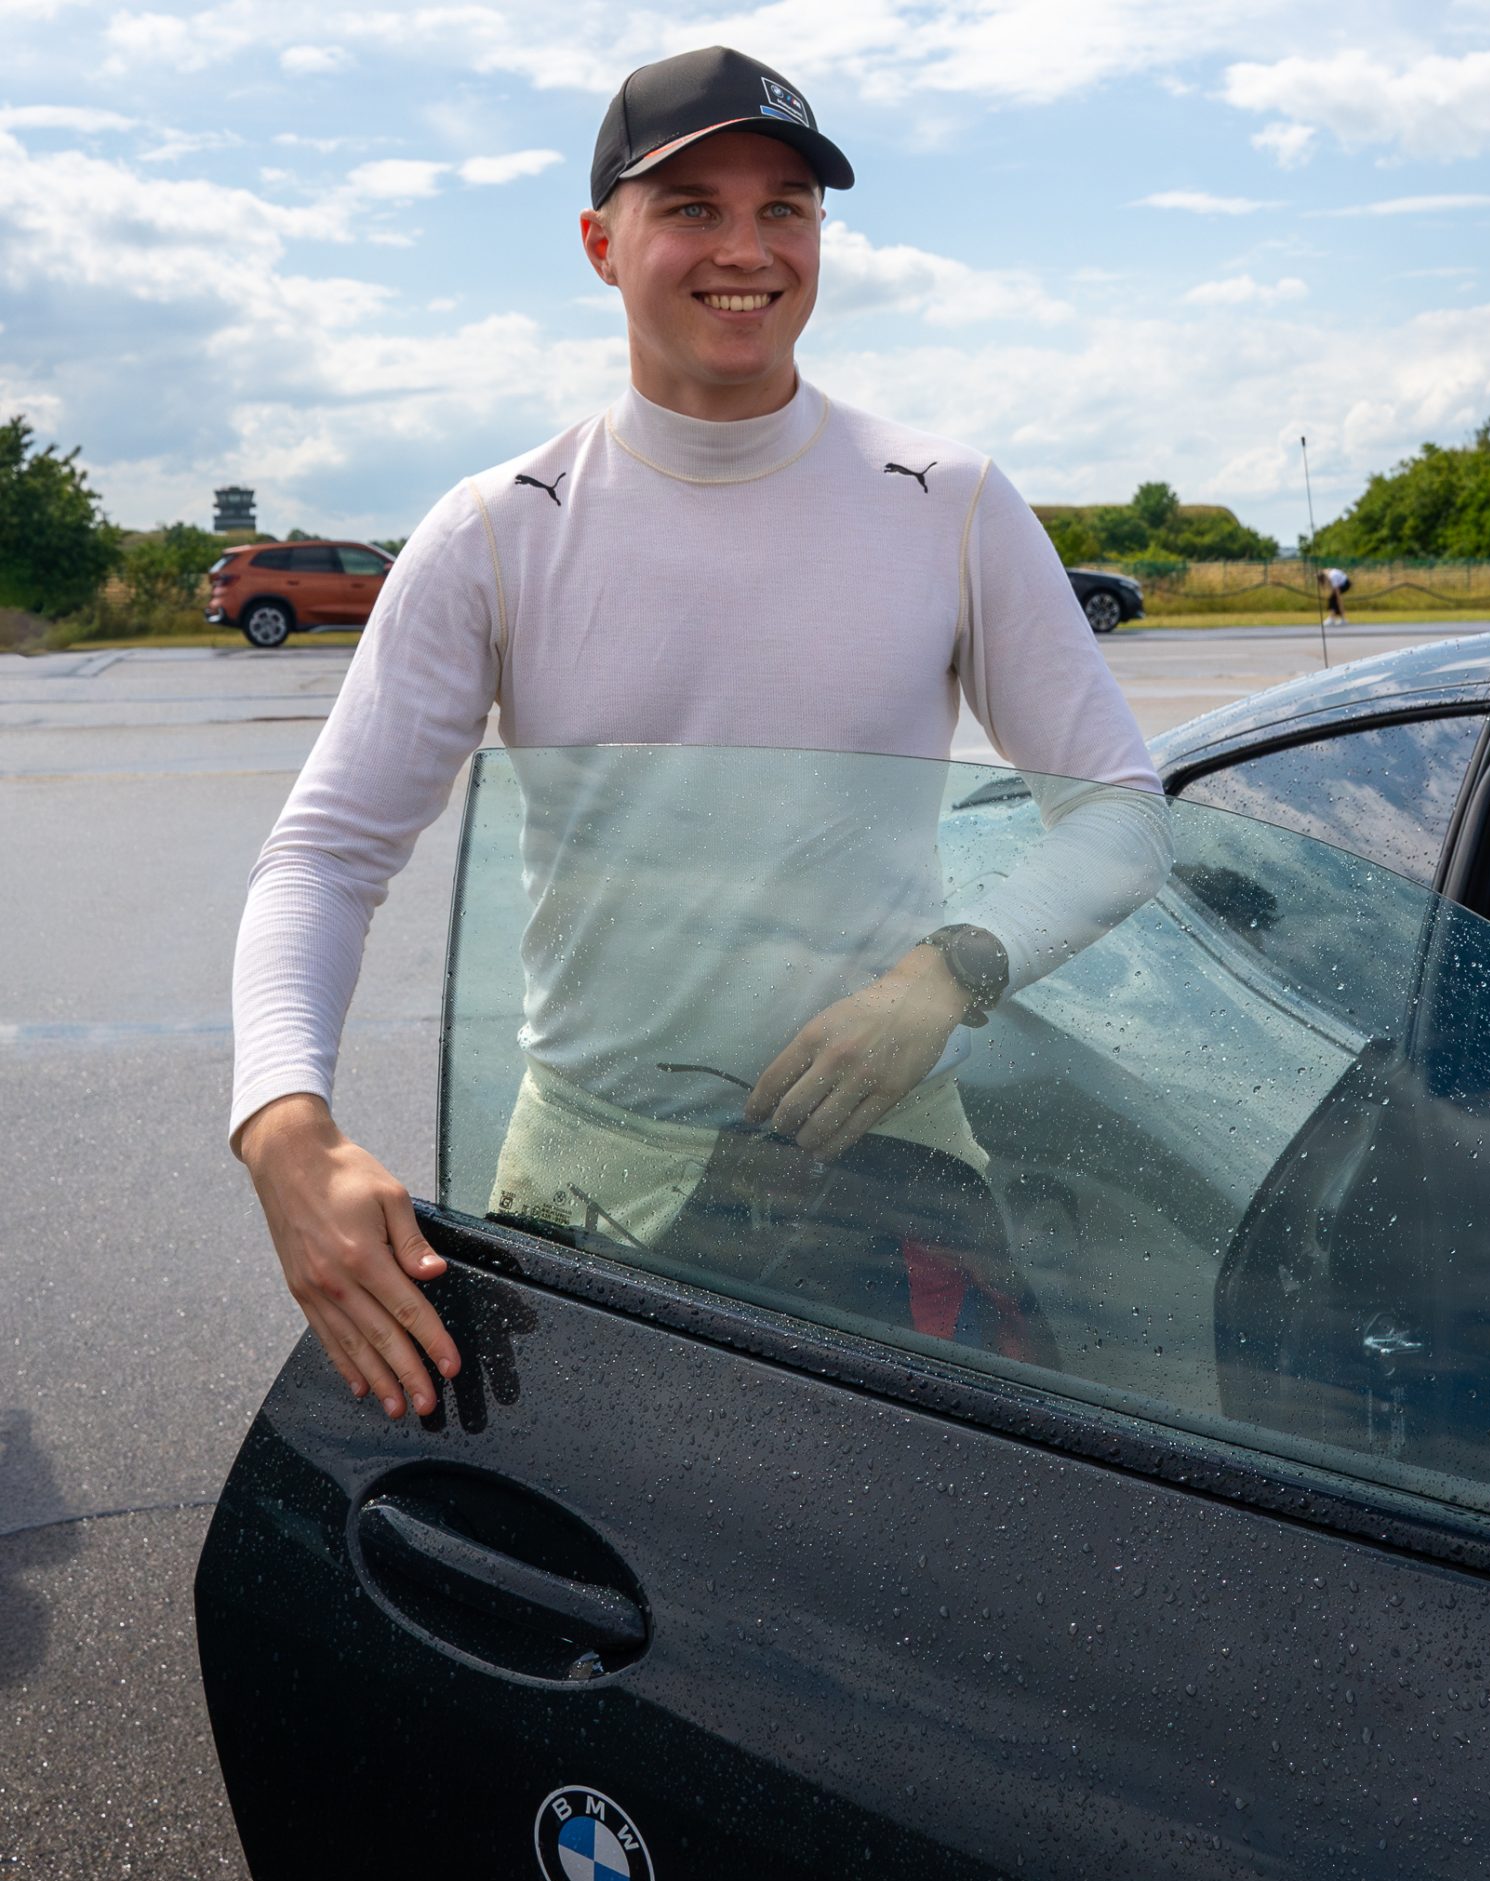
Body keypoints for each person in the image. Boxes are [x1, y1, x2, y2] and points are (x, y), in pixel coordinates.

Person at [230, 46, 1171, 1426]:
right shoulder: (499, 528)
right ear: (601, 243)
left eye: (786, 208)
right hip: (593, 1165)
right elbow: (326, 855)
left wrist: (942, 978)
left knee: (948, 1527)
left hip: (896, 1151)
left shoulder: (948, 503)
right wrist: (282, 1123)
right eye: (692, 208)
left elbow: (1121, 815)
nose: (747, 249)